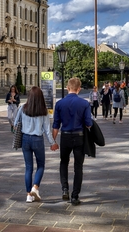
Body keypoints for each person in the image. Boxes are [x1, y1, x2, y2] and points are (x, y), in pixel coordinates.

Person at [52, 77, 92, 205]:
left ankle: (65, 189)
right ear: (79, 89)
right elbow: (88, 123)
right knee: (78, 167)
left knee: (63, 162)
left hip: (65, 136)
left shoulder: (59, 104)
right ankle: (75, 196)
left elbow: (56, 125)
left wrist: (53, 141)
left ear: (67, 88)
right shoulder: (85, 104)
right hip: (79, 136)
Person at [18, 87, 58, 203]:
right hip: (37, 140)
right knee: (40, 165)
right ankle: (35, 187)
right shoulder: (44, 111)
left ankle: (28, 195)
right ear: (41, 97)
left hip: (25, 139)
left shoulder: (22, 109)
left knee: (28, 167)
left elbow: (16, 123)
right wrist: (53, 143)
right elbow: (46, 130)